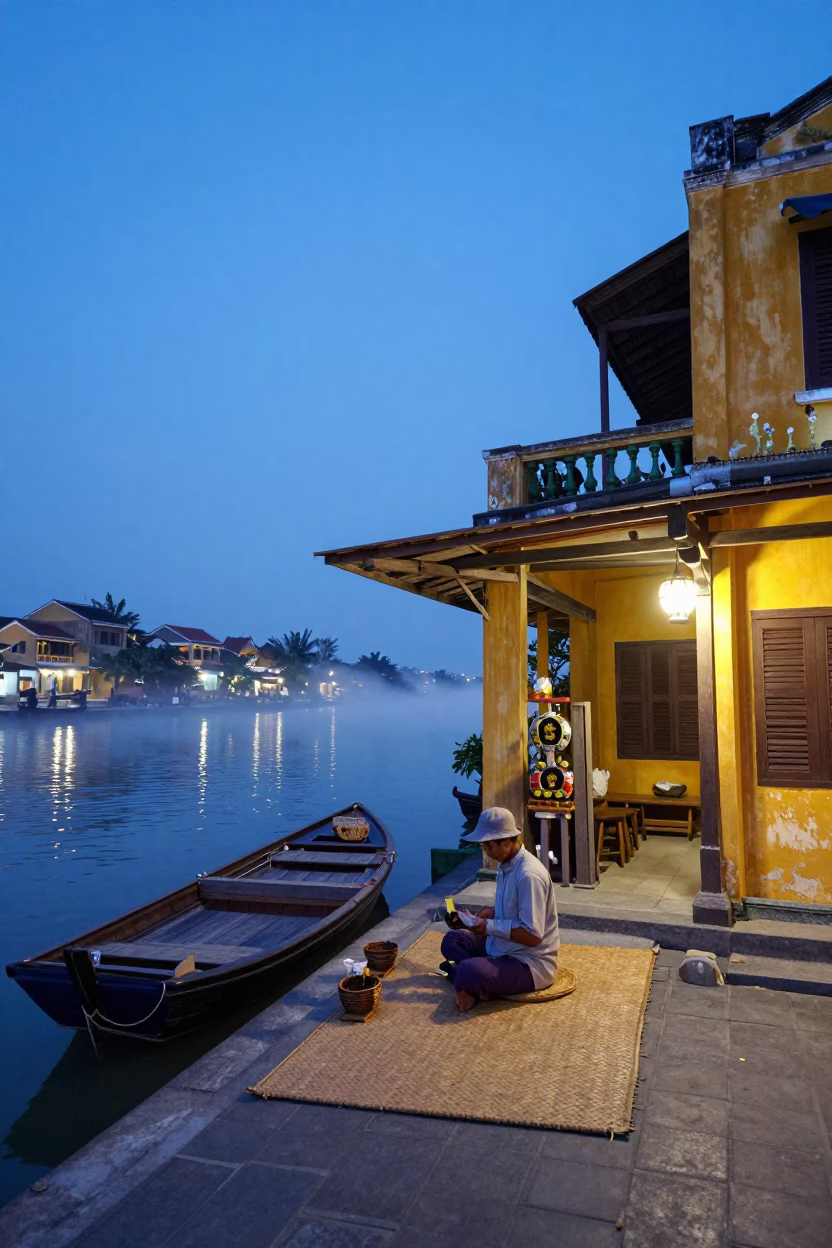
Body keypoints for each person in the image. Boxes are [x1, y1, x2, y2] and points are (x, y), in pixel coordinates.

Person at [440, 806, 559, 1012]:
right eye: (483, 846)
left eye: (488, 845)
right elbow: (516, 908)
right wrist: (490, 913)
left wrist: (488, 927)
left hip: (528, 962)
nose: (485, 850)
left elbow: (533, 935)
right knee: (452, 940)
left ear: (506, 841)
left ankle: (468, 979)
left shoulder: (529, 875)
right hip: (500, 948)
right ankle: (476, 983)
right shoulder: (504, 865)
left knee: (467, 970)